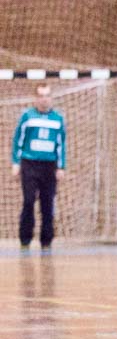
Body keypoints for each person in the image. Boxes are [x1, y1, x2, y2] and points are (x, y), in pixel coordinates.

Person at [11, 83, 67, 251]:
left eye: (47, 95)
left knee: (47, 203)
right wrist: (16, 162)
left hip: (49, 166)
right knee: (29, 200)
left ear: (51, 98)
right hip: (29, 164)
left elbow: (61, 144)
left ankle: (46, 241)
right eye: (41, 96)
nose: (44, 99)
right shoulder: (27, 117)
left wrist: (61, 166)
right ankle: (25, 239)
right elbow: (18, 140)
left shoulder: (57, 119)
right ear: (36, 98)